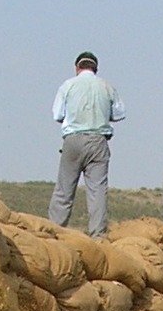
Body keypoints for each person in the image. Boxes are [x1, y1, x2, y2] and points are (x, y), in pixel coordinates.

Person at [47, 52, 125, 239]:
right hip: (98, 140)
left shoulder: (68, 85)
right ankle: (98, 236)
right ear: (95, 69)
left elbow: (57, 115)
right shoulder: (107, 86)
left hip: (73, 139)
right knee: (97, 191)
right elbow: (120, 113)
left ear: (77, 67)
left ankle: (53, 232)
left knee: (64, 189)